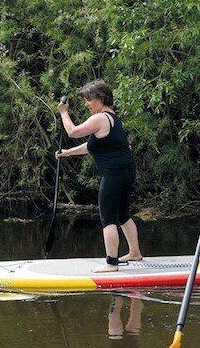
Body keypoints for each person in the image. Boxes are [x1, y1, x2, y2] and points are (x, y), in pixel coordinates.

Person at [56, 80, 143, 272]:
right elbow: (92, 146)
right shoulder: (112, 118)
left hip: (114, 174)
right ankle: (135, 253)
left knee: (107, 218)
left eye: (89, 99)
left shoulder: (100, 118)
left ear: (101, 98)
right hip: (126, 171)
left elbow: (72, 131)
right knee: (122, 214)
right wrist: (68, 152)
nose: (86, 103)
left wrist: (63, 112)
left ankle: (111, 263)